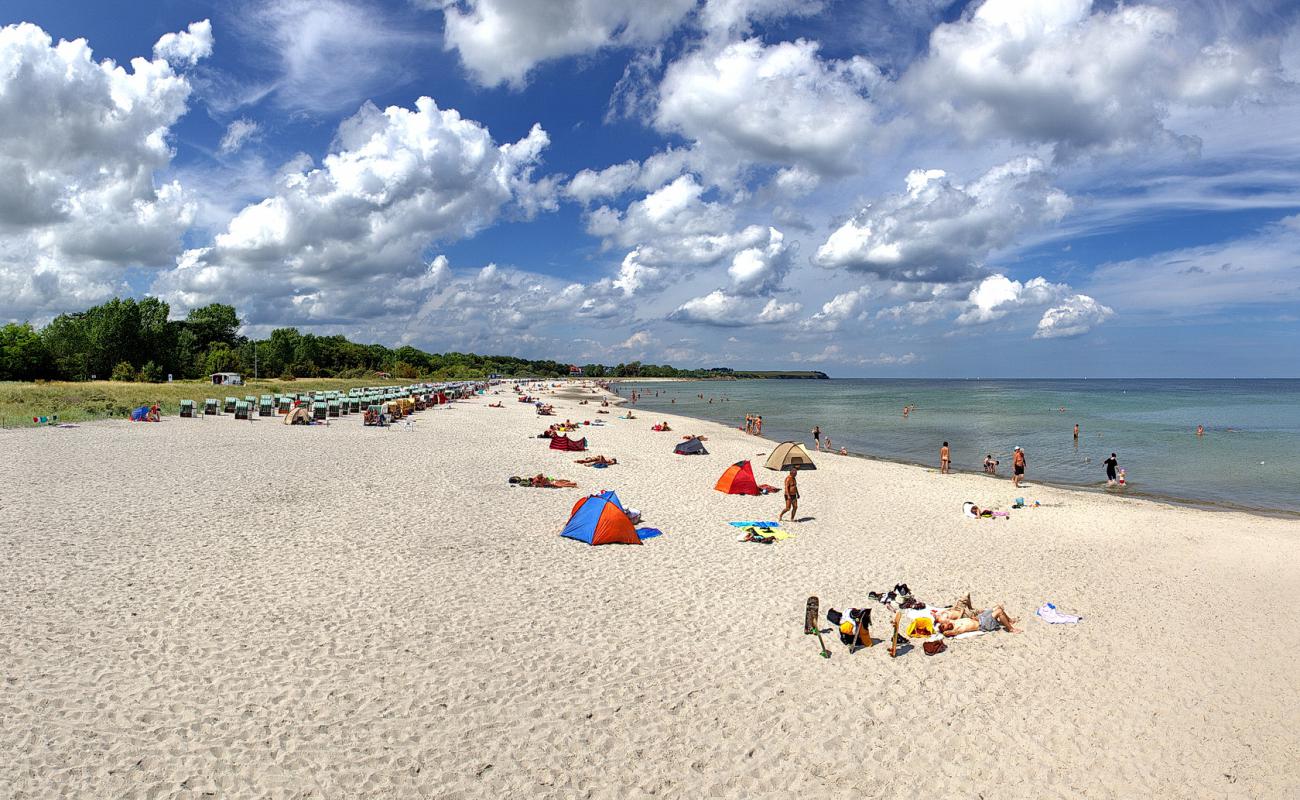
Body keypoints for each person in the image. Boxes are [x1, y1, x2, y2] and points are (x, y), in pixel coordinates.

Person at [937, 604, 1021, 635]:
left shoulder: (954, 622)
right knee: (999, 611)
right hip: (983, 624)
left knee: (998, 606)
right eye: (946, 627)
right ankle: (1011, 629)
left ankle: (1009, 620)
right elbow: (946, 633)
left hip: (979, 618)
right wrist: (944, 632)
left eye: (945, 625)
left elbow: (941, 619)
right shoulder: (956, 630)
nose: (947, 625)